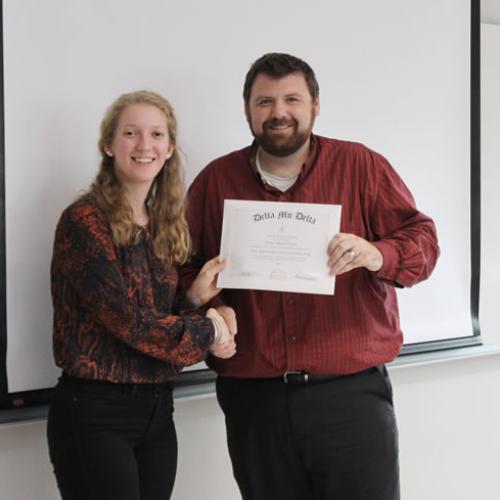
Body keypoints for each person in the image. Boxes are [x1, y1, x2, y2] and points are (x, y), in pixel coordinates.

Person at [180, 53, 440, 500]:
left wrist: (375, 253)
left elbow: (424, 242)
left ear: (315, 105)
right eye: (264, 101)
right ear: (246, 110)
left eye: (292, 99)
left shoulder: (362, 166)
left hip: (350, 397)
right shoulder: (215, 181)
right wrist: (209, 306)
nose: (278, 112)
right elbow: (182, 266)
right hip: (254, 401)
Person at [47, 90, 235, 500]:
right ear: (108, 144)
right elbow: (128, 323)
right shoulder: (84, 221)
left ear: (169, 149)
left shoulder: (163, 225)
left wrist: (192, 300)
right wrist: (211, 329)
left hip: (156, 409)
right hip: (95, 411)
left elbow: (149, 319)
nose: (144, 145)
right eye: (130, 133)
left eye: (156, 134)